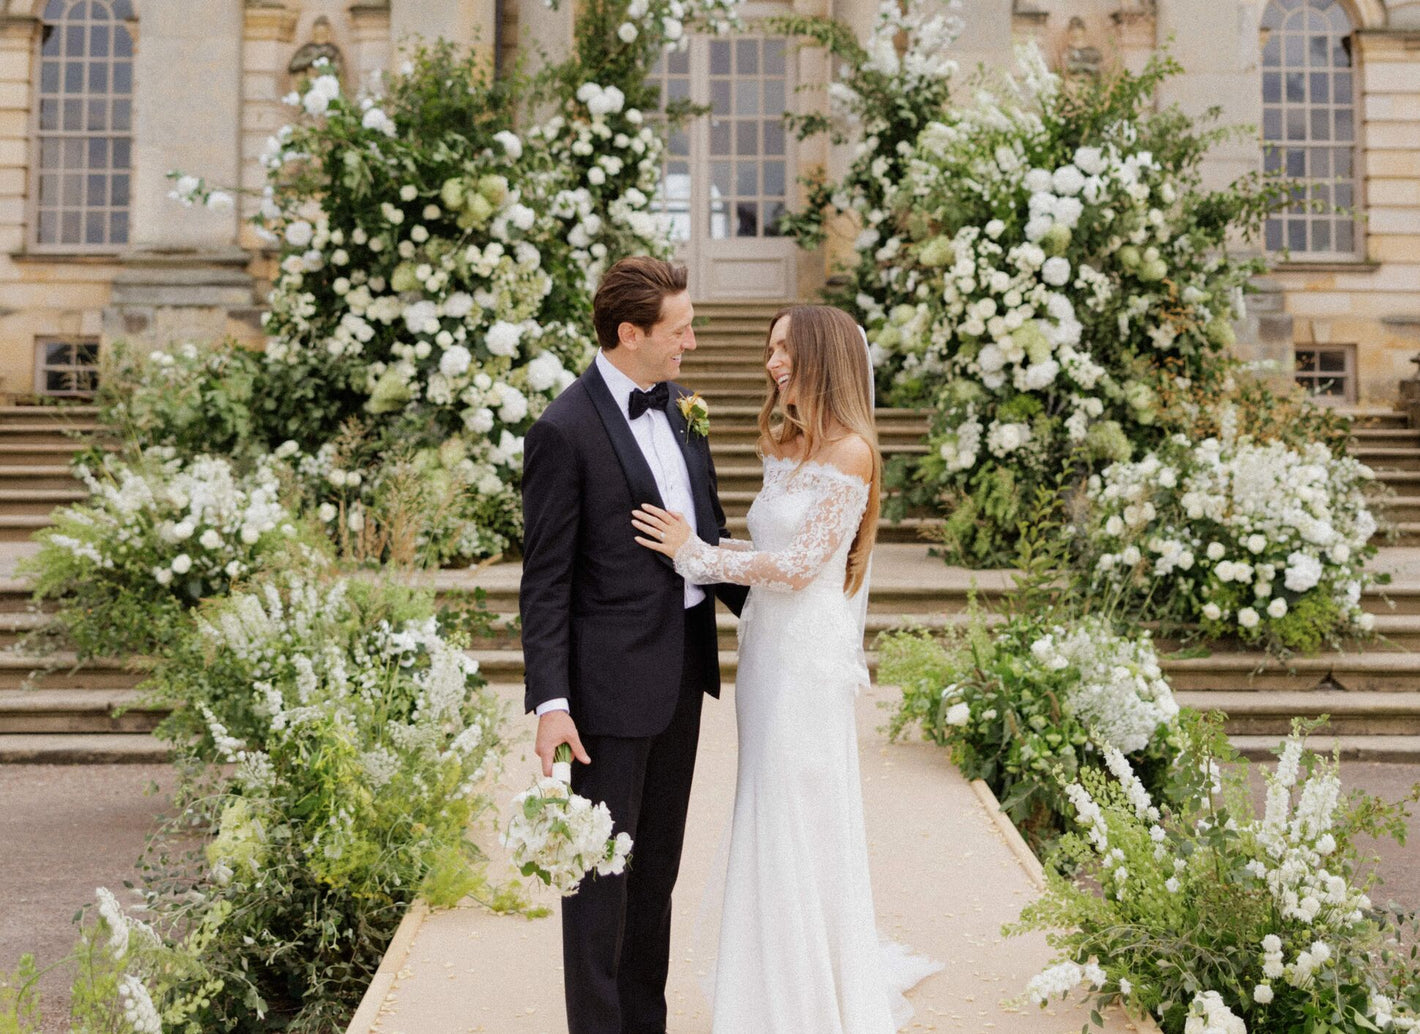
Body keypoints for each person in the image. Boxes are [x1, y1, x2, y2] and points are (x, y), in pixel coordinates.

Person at [632, 305, 939, 1032]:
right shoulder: (790, 445)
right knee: (764, 803)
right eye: (770, 349)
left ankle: (801, 999)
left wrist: (691, 553)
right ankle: (767, 975)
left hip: (804, 661)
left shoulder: (852, 453)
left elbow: (802, 568)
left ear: (822, 358)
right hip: (764, 655)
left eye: (785, 351)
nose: (773, 363)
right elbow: (765, 549)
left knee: (798, 809)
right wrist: (713, 547)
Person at [519, 256, 747, 1034]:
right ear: (630, 333)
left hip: (683, 673)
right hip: (607, 695)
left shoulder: (683, 407)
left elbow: (703, 534)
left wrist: (781, 598)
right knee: (599, 880)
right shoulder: (563, 429)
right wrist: (551, 703)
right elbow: (544, 580)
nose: (690, 341)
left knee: (655, 875)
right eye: (678, 330)